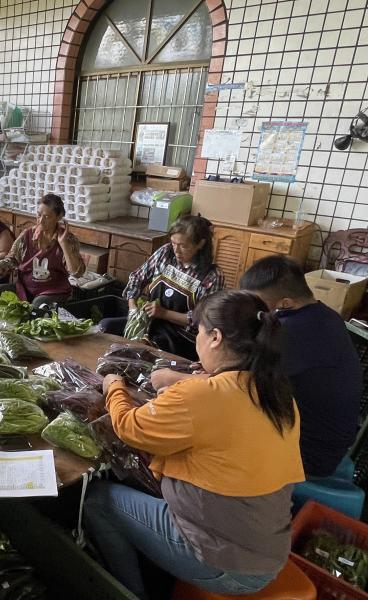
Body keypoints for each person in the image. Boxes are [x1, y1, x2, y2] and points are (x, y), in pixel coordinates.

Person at [85, 290, 304, 599]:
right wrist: (178, 379)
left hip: (226, 563)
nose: (197, 339)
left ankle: (129, 592)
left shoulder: (203, 397)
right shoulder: (275, 394)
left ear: (215, 337)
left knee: (97, 500)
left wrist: (114, 386)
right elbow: (221, 397)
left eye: (199, 331)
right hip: (266, 550)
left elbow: (129, 427)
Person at [240, 255, 362, 477]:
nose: (252, 309)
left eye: (257, 303)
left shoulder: (293, 334)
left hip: (310, 454)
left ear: (285, 303)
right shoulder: (325, 315)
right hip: (327, 441)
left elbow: (238, 384)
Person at [102, 215, 224, 360]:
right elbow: (137, 278)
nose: (176, 250)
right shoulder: (165, 253)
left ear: (200, 244)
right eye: (173, 243)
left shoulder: (212, 276)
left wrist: (164, 313)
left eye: (183, 246)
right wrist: (133, 309)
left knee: (143, 349)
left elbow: (203, 319)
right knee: (106, 326)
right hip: (151, 323)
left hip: (181, 336)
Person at [0, 193, 85, 307]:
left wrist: (63, 244)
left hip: (53, 291)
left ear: (58, 217)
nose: (41, 221)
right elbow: (11, 260)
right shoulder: (27, 234)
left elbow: (77, 273)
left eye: (47, 217)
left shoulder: (68, 239)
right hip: (25, 289)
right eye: (39, 215)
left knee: (39, 304)